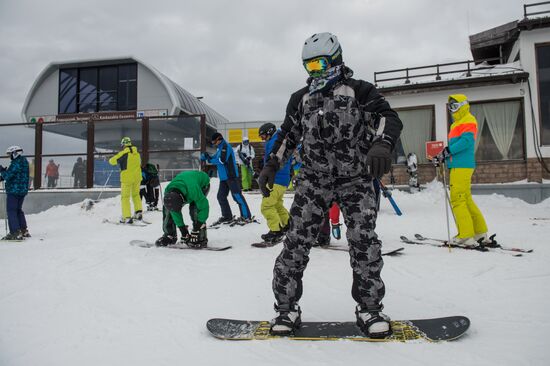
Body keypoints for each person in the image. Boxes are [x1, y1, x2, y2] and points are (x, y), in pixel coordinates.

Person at [258, 32, 402, 337]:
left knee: (363, 242)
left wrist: (382, 145)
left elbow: (388, 118)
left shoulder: (360, 91)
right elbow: (287, 134)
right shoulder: (301, 99)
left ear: (336, 59)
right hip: (313, 180)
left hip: (356, 179)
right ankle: (286, 310)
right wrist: (271, 164)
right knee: (296, 241)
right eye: (309, 66)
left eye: (320, 63)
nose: (315, 71)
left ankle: (370, 309)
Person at [434, 94, 489, 247]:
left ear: (463, 105)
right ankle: (479, 232)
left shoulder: (469, 120)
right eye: (450, 106)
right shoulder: (455, 124)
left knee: (457, 200)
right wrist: (444, 154)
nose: (452, 109)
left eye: (455, 105)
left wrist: (448, 151)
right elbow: (455, 146)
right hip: (458, 164)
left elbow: (466, 141)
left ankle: (465, 235)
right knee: (466, 199)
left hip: (462, 166)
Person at [201, 133, 252, 225]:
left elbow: (222, 160)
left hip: (231, 176)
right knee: (221, 196)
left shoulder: (225, 146)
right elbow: (215, 157)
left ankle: (246, 216)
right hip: (224, 178)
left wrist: (209, 159)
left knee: (237, 196)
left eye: (214, 141)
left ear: (219, 139)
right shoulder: (220, 148)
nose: (213, 143)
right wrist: (207, 156)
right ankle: (227, 216)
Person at [155, 170, 210, 248]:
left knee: (195, 209)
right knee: (168, 209)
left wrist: (196, 228)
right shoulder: (168, 191)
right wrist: (183, 231)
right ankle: (170, 235)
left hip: (202, 184)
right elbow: (174, 211)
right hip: (185, 184)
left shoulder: (193, 189)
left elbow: (204, 208)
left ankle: (200, 237)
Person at [258, 123, 292, 244]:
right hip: (282, 180)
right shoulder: (280, 140)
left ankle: (276, 231)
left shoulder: (274, 142)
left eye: (263, 136)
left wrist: (265, 171)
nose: (263, 139)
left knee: (266, 206)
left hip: (276, 179)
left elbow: (273, 160)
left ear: (270, 132)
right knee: (277, 205)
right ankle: (289, 226)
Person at [109, 137, 143, 223]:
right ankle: (138, 213)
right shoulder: (137, 154)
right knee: (136, 195)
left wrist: (115, 157)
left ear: (123, 145)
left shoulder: (124, 153)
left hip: (127, 178)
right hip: (137, 178)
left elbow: (112, 161)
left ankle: (126, 217)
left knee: (125, 197)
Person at [0, 146, 30, 240]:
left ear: (15, 153)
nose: (9, 156)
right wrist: (4, 173)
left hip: (14, 190)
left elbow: (8, 175)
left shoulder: (16, 163)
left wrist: (1, 171)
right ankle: (23, 230)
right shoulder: (24, 161)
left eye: (10, 154)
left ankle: (15, 232)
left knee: (11, 210)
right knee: (18, 210)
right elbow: (14, 174)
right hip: (22, 190)